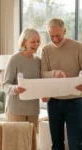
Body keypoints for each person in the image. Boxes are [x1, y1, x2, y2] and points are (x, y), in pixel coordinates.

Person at [41, 18, 82, 150]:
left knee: (75, 143)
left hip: (75, 101)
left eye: (58, 35)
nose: (55, 38)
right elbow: (43, 73)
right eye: (51, 35)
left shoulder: (78, 47)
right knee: (57, 144)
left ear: (65, 31)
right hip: (53, 102)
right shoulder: (46, 50)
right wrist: (54, 73)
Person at [2, 28, 41, 129]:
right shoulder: (14, 59)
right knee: (16, 142)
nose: (36, 44)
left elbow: (41, 83)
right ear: (24, 41)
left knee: (31, 142)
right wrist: (15, 88)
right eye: (33, 41)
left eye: (38, 41)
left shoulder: (39, 61)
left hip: (33, 109)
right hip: (16, 109)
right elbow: (6, 85)